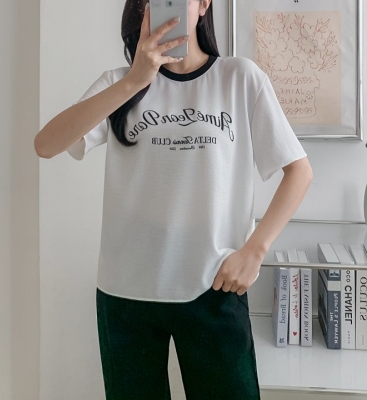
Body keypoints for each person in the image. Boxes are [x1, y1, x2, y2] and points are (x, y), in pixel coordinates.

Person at [34, 0, 313, 399]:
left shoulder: (240, 78)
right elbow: (45, 145)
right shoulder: (119, 83)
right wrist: (134, 80)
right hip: (126, 292)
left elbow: (299, 171)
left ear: (204, 4)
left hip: (214, 284)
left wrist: (254, 251)